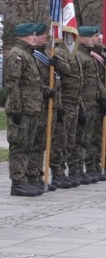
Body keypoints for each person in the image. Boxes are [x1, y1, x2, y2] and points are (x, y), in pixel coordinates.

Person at [4, 22, 52, 196]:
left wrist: (48, 91)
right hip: (22, 109)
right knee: (19, 145)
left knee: (29, 145)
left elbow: (33, 85)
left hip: (32, 108)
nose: (35, 38)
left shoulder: (29, 55)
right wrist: (16, 108)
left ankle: (26, 179)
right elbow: (12, 83)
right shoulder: (17, 55)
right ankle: (17, 183)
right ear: (23, 36)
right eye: (31, 35)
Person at [72, 26, 106, 183]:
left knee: (94, 137)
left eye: (96, 36)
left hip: (95, 102)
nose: (96, 38)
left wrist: (103, 98)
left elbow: (97, 81)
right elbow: (78, 83)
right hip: (84, 102)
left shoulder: (92, 57)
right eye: (92, 36)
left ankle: (93, 167)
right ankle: (82, 168)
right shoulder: (79, 56)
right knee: (83, 137)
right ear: (82, 38)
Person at [48, 40, 82, 189]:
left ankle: (62, 171)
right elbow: (61, 77)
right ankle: (57, 172)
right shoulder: (58, 54)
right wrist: (59, 104)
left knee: (70, 139)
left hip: (74, 102)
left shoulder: (74, 55)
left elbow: (79, 82)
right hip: (64, 103)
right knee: (60, 139)